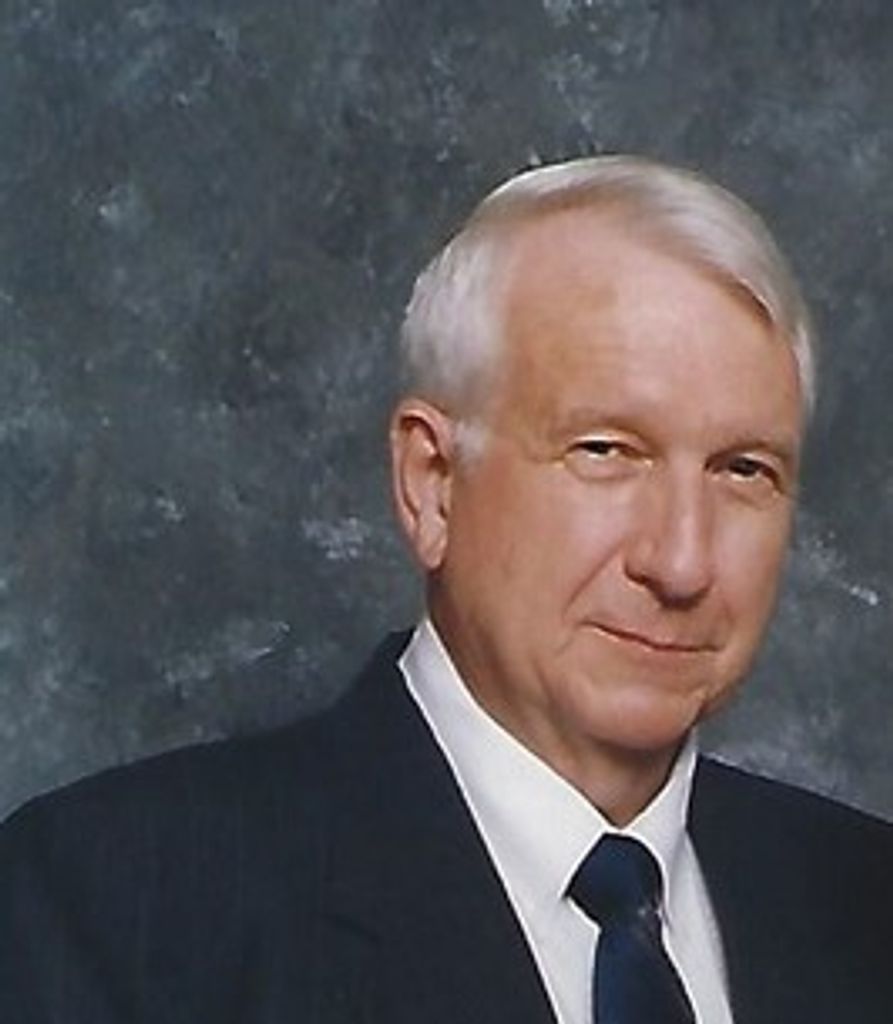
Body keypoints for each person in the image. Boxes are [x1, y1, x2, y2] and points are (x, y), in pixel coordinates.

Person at [1, 155, 891, 1024]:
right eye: (606, 452)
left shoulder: (863, 904)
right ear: (431, 485)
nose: (681, 562)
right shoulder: (118, 908)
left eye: (742, 470)